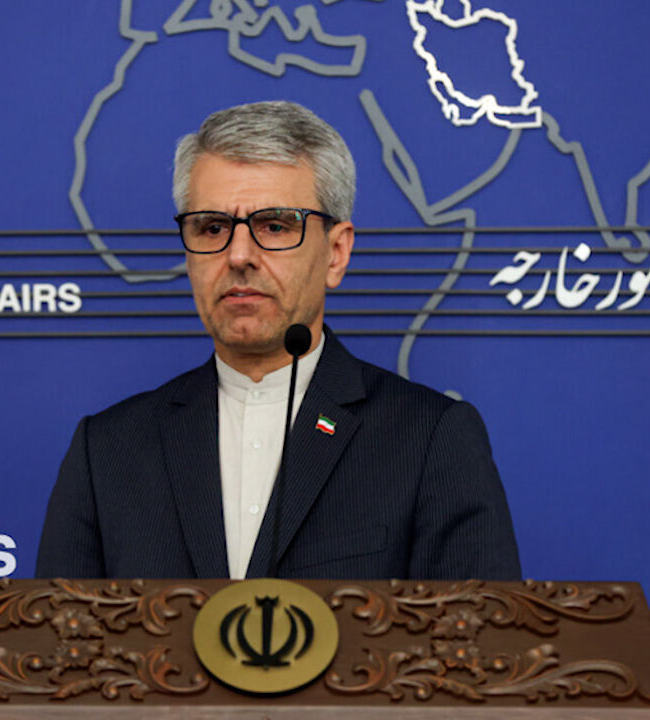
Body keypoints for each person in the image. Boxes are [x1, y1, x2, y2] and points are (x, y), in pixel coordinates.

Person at [36, 101, 519, 580]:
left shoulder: (430, 441)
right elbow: (57, 629)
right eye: (212, 228)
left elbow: (476, 629)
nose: (238, 255)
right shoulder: (107, 453)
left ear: (336, 252)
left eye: (274, 226)